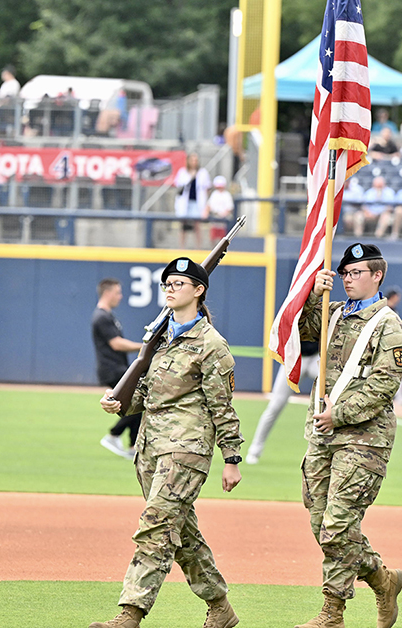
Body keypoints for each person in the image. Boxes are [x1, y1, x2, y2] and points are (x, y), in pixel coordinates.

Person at [94, 257, 244, 628]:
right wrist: (119, 402)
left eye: (179, 283)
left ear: (199, 290)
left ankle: (130, 614)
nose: (170, 289)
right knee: (184, 535)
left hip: (186, 450)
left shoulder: (211, 344)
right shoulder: (161, 339)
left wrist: (232, 458)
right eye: (167, 284)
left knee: (156, 526)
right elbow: (145, 393)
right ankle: (221, 607)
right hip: (150, 449)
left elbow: (223, 407)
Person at [294, 242, 402, 628]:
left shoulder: (389, 325)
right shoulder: (335, 313)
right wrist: (314, 293)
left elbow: (383, 385)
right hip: (323, 435)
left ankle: (333, 613)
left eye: (356, 273)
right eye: (344, 273)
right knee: (321, 524)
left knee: (338, 524)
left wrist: (338, 415)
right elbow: (301, 329)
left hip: (364, 438)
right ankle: (382, 579)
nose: (347, 279)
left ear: (378, 276)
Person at [245, 340, 320, 465]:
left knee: (330, 395)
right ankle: (254, 451)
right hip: (294, 358)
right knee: (275, 406)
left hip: (315, 358)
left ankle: (326, 450)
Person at [93, 279, 144, 459]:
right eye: (118, 292)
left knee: (137, 402)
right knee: (137, 402)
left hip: (117, 367)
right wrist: (144, 347)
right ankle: (114, 435)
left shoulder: (108, 316)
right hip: (112, 369)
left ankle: (132, 446)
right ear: (108, 293)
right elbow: (116, 344)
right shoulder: (102, 317)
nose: (120, 296)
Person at [174, 153, 210, 250]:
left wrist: (206, 206)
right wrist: (191, 177)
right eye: (192, 160)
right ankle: (182, 247)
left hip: (197, 203)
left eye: (196, 160)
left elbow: (207, 188)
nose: (194, 162)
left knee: (197, 225)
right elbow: (179, 185)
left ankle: (198, 248)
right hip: (185, 203)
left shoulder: (203, 173)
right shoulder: (183, 172)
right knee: (183, 226)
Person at [206, 176, 235, 243]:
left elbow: (230, 208)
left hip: (224, 221)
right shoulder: (214, 194)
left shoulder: (227, 195)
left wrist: (224, 214)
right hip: (215, 219)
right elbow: (209, 205)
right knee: (213, 237)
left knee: (223, 238)